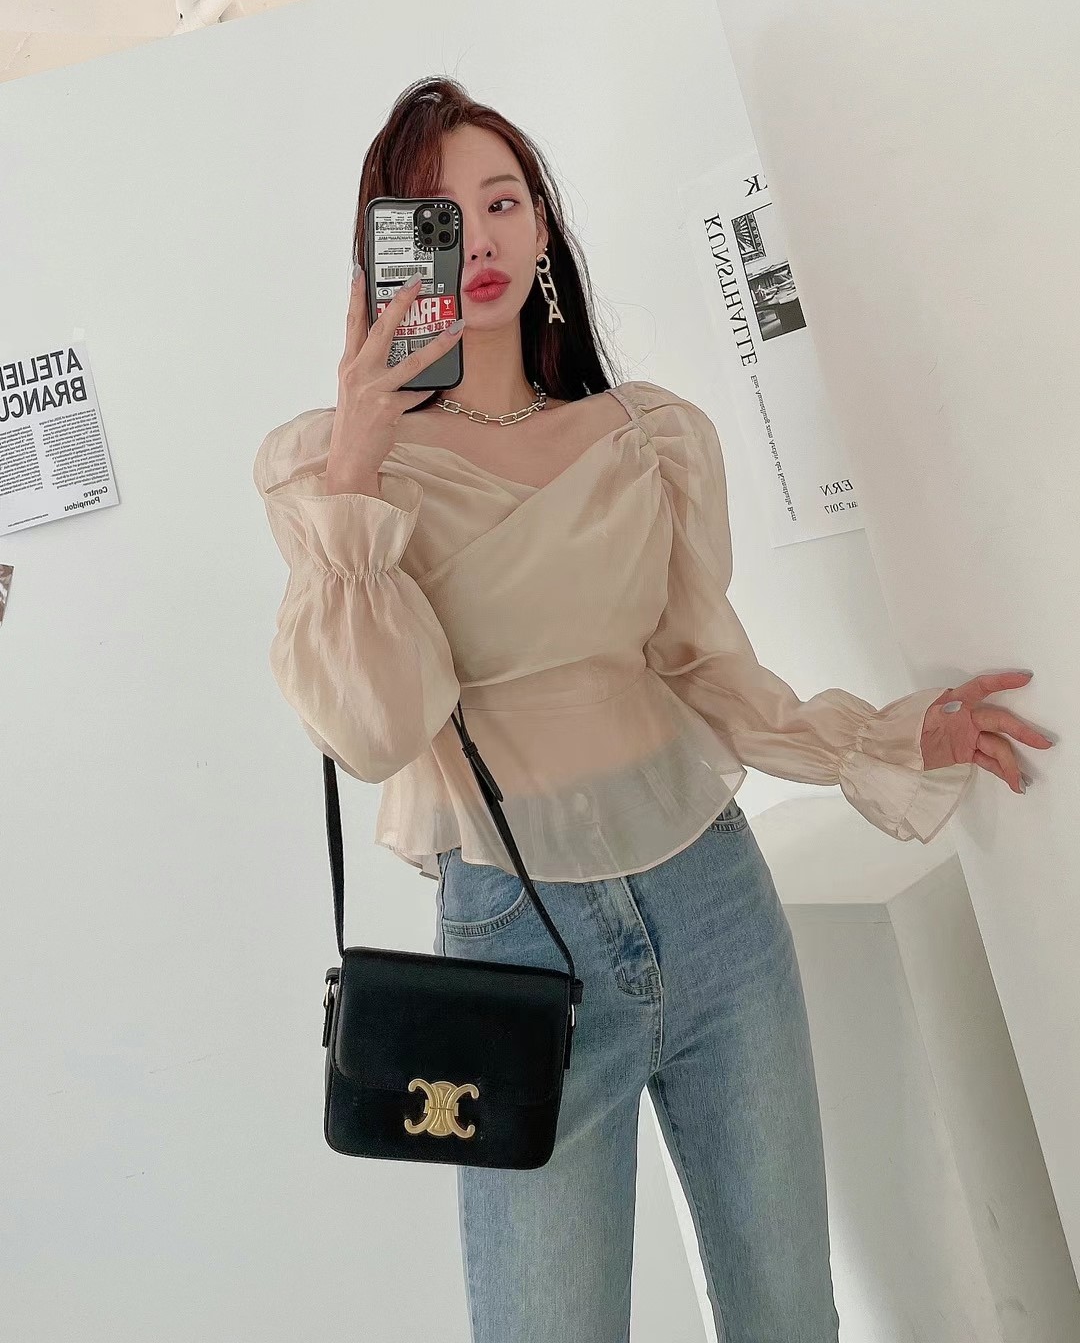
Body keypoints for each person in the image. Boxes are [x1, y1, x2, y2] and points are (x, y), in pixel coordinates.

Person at [252, 76, 1040, 1343]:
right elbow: (372, 730)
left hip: (713, 898)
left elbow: (703, 669)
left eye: (503, 201)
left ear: (543, 225)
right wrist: (358, 462)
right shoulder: (334, 474)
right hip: (513, 941)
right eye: (439, 215)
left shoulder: (647, 438)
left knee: (789, 1312)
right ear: (387, 253)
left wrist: (891, 739)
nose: (482, 236)